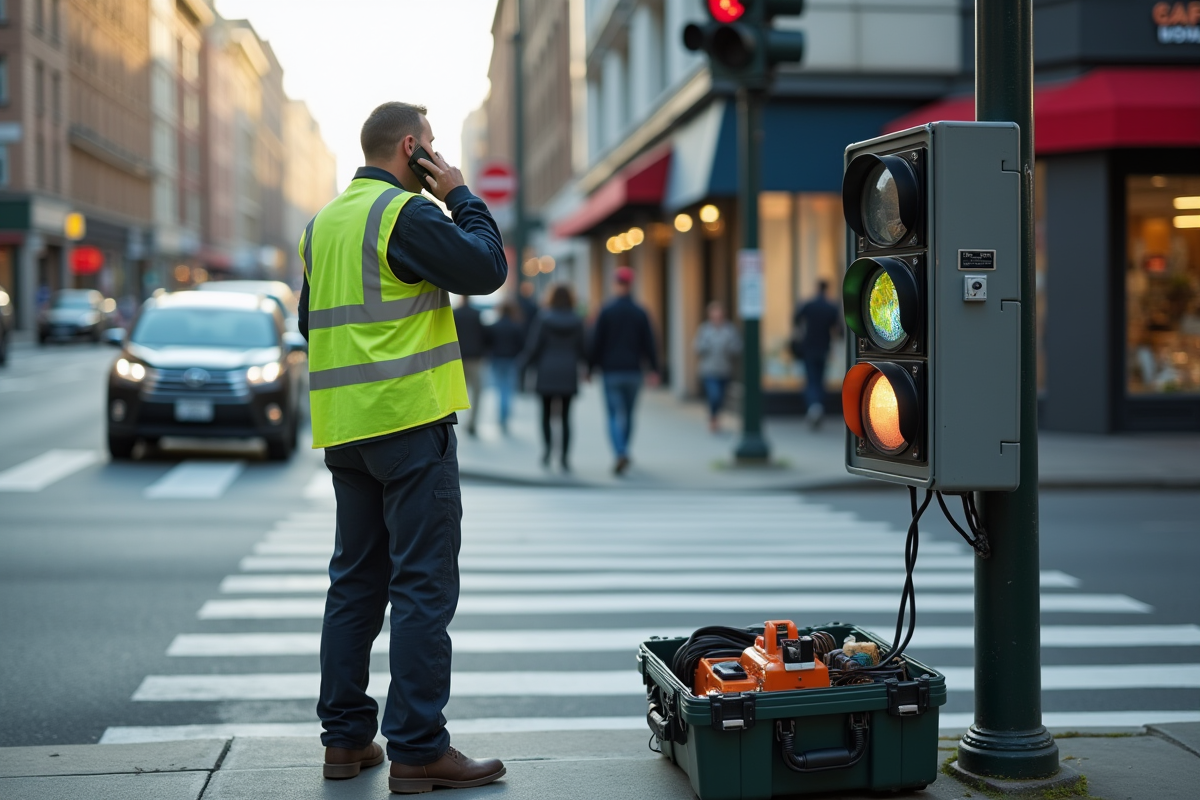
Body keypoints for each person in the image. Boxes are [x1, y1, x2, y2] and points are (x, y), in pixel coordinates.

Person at [297, 101, 507, 794]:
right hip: (408, 425)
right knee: (422, 585)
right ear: (412, 147)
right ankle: (418, 749)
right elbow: (485, 267)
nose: (439, 158)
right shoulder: (403, 214)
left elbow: (310, 321)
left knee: (355, 583)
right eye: (433, 149)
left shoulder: (322, 224)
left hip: (344, 430)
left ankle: (346, 741)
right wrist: (459, 194)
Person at [588, 266, 659, 475]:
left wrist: (590, 368)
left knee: (612, 415)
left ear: (615, 284)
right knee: (628, 414)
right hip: (633, 371)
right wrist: (654, 369)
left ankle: (620, 451)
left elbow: (596, 342)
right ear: (631, 284)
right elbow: (650, 342)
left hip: (610, 371)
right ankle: (624, 449)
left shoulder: (606, 311)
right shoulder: (640, 312)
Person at [518, 283, 586, 470]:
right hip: (568, 372)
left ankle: (547, 451)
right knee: (566, 417)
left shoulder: (544, 319)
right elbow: (584, 348)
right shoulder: (577, 320)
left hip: (546, 372)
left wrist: (523, 366)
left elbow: (534, 347)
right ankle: (564, 457)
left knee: (545, 415)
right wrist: (589, 367)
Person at [791, 279, 842, 428]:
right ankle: (818, 405)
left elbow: (796, 319)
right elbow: (839, 330)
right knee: (820, 380)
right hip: (824, 347)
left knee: (811, 379)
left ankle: (814, 406)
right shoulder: (831, 307)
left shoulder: (808, 305)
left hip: (809, 347)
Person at [693, 301, 741, 433]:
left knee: (720, 398)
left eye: (719, 313)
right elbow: (697, 347)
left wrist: (729, 348)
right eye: (714, 313)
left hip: (724, 370)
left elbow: (737, 348)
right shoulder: (704, 329)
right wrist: (705, 346)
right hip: (708, 370)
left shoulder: (729, 330)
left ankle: (715, 416)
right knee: (714, 395)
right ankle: (713, 418)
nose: (716, 316)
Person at [485, 300, 525, 434]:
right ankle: (505, 417)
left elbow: (488, 343)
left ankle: (501, 417)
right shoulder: (516, 326)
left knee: (500, 389)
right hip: (511, 360)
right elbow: (521, 345)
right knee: (508, 389)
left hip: (497, 359)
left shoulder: (494, 326)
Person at [453, 295, 486, 436]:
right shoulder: (477, 314)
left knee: (454, 392)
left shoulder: (455, 314)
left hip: (457, 358)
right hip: (475, 358)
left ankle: (452, 423)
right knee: (476, 392)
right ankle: (472, 422)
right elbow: (484, 336)